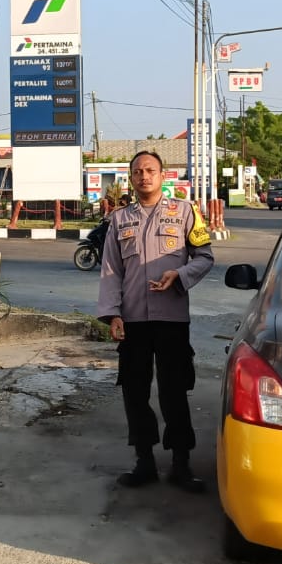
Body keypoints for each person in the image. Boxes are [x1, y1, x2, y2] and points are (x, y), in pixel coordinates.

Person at [97, 150, 215, 493]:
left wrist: (179, 274)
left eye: (150, 170)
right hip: (133, 319)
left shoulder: (185, 212)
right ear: (131, 178)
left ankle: (181, 463)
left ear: (163, 176)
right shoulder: (120, 220)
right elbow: (111, 271)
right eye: (137, 171)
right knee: (134, 392)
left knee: (174, 390)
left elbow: (205, 257)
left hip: (171, 318)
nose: (144, 176)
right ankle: (144, 461)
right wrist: (113, 314)